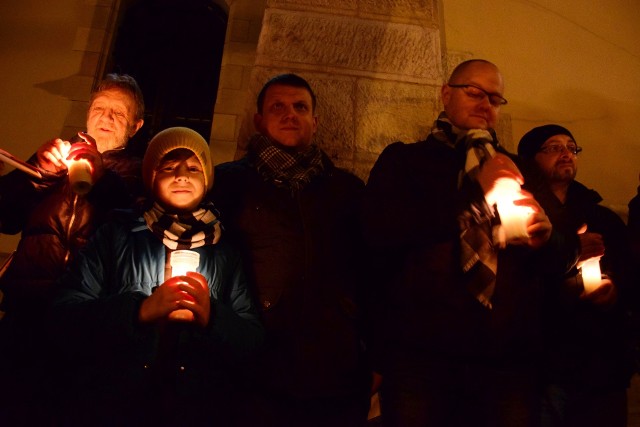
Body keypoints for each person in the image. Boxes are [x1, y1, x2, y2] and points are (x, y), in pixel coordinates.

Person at [360, 59, 578, 427]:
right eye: (475, 93)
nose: (485, 105)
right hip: (420, 356)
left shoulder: (520, 168)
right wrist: (475, 190)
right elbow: (379, 233)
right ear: (446, 95)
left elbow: (566, 257)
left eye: (495, 99)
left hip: (507, 361)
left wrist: (547, 240)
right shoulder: (405, 161)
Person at [48, 126, 264, 426]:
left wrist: (212, 317)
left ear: (207, 179)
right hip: (117, 403)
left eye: (193, 167)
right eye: (169, 167)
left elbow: (252, 342)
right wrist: (139, 310)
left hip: (197, 407)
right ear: (151, 177)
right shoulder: (117, 235)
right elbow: (64, 317)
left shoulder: (224, 252)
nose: (182, 175)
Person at [210, 73, 371, 426]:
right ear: (259, 120)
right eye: (278, 107)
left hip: (334, 371)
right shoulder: (226, 184)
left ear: (315, 121)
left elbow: (370, 271)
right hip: (252, 370)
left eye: (300, 107)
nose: (290, 114)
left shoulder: (347, 190)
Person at [0, 73, 145, 425]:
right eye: (100, 108)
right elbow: (5, 215)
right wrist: (37, 175)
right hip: (28, 309)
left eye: (118, 113)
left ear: (136, 126)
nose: (106, 118)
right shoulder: (54, 155)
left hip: (92, 320)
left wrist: (100, 179)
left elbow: (135, 226)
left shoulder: (140, 173)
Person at [518, 124, 635, 427]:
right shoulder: (519, 214)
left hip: (599, 364)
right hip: (541, 365)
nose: (566, 154)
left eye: (571, 147)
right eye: (554, 147)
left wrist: (614, 291)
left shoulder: (601, 217)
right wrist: (569, 250)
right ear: (531, 159)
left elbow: (628, 272)